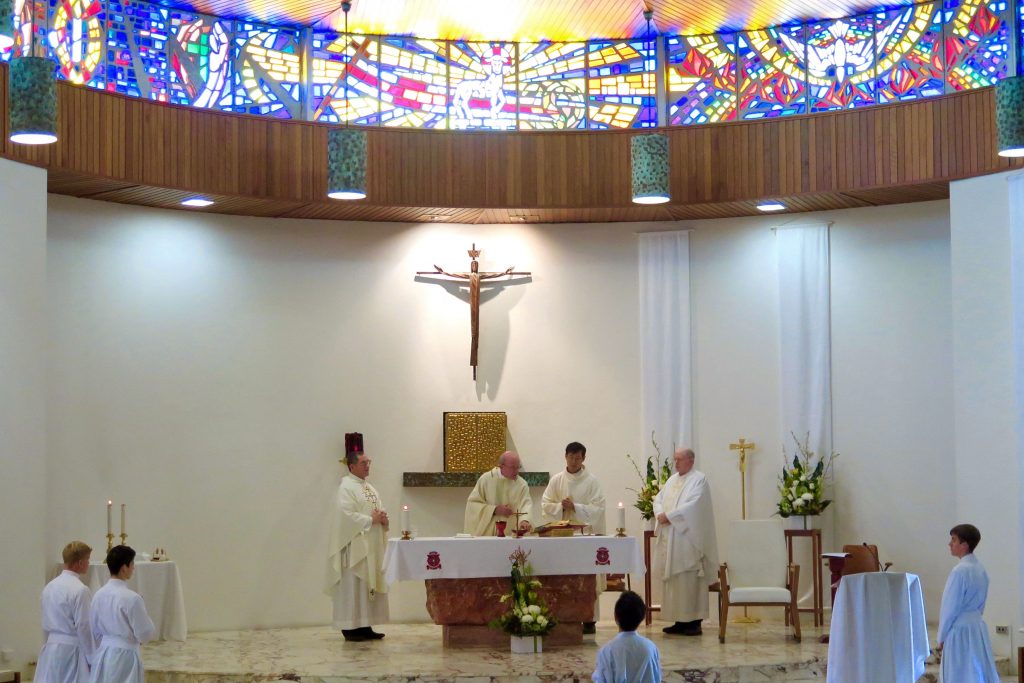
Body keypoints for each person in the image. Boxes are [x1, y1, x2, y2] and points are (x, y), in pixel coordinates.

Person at [325, 432, 390, 642]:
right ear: (352, 466)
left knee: (367, 585)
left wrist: (382, 518)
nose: (367, 466)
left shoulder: (369, 487)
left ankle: (365, 624)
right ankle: (350, 627)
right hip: (355, 546)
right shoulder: (346, 487)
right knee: (355, 585)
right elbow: (345, 516)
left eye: (368, 462)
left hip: (370, 544)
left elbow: (375, 509)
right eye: (363, 463)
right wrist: (371, 519)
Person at [652, 447, 719, 636]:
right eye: (675, 459)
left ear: (690, 460)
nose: (676, 463)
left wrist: (670, 516)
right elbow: (658, 499)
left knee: (688, 579)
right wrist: (660, 514)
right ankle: (679, 621)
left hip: (688, 539)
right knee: (675, 581)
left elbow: (695, 506)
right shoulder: (673, 480)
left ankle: (694, 622)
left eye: (679, 459)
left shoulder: (699, 479)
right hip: (671, 536)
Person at [541, 441, 606, 633]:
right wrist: (560, 506)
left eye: (578, 458)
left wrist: (575, 507)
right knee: (565, 576)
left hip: (584, 537)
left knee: (586, 577)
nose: (574, 461)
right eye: (571, 457)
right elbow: (545, 504)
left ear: (583, 458)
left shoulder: (592, 481)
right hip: (562, 538)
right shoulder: (557, 480)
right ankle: (565, 617)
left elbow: (598, 509)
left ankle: (589, 619)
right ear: (565, 457)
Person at [937, 524, 1000, 683]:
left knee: (961, 673)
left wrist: (942, 635)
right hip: (976, 627)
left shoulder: (959, 571)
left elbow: (949, 607)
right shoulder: (980, 569)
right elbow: (982, 604)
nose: (949, 544)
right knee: (976, 670)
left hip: (959, 631)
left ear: (964, 545)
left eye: (953, 540)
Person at [88, 545, 155, 683]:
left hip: (104, 653)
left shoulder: (98, 595)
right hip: (125, 656)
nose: (133, 568)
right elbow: (145, 633)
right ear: (124, 568)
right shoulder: (132, 598)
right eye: (132, 564)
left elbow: (94, 628)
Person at [36, 541, 96, 683]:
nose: (88, 563)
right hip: (72, 651)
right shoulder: (80, 590)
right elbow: (84, 626)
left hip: (51, 648)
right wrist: (92, 657)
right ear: (80, 563)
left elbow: (44, 621)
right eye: (88, 559)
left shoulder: (49, 587)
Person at [592, 591, 661, 683]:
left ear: (616, 616)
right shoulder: (651, 648)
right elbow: (657, 677)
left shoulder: (606, 650)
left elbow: (600, 680)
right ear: (642, 618)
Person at [464, 451, 534, 536]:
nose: (516, 471)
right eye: (512, 467)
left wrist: (524, 520)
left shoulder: (521, 484)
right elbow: (472, 504)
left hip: (512, 534)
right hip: (488, 535)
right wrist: (494, 510)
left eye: (518, 467)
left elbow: (526, 505)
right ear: (501, 466)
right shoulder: (486, 480)